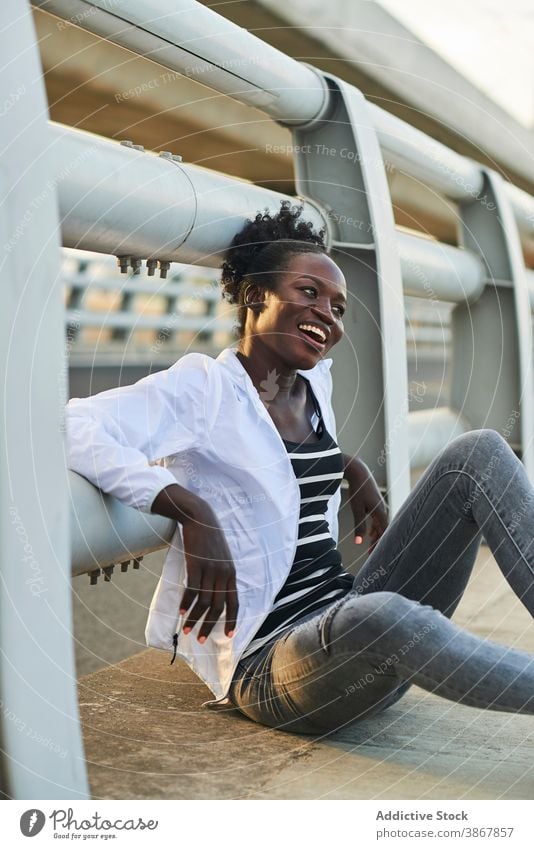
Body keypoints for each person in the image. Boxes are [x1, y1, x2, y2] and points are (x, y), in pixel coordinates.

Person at [65, 201, 534, 736]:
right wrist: (188, 507)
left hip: (355, 638)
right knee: (379, 615)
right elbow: (73, 426)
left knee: (479, 453)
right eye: (309, 293)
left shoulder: (315, 386)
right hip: (276, 666)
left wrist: (346, 467)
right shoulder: (205, 388)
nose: (327, 317)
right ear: (254, 296)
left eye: (338, 308)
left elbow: (277, 465)